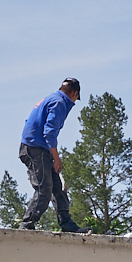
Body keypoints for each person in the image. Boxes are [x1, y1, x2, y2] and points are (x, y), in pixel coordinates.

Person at [18, 78, 88, 233]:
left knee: (58, 187)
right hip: (35, 149)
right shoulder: (59, 103)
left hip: (39, 147)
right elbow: (49, 132)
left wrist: (52, 154)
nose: (75, 102)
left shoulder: (51, 98)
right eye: (76, 98)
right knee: (44, 189)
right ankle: (26, 226)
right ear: (74, 93)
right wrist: (56, 158)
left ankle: (66, 223)